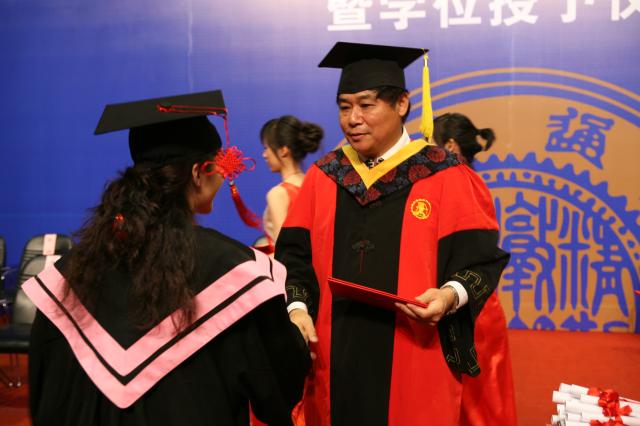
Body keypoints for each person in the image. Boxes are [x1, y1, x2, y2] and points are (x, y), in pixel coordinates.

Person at [23, 90, 311, 426]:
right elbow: (278, 387)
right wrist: (296, 325)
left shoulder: (73, 273)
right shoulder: (234, 270)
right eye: (219, 165)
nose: (223, 176)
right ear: (197, 173)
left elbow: (45, 394)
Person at [274, 42, 514, 425]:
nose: (353, 119)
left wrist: (450, 295)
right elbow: (294, 256)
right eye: (344, 107)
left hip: (416, 352)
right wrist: (298, 308)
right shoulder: (325, 177)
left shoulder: (445, 174)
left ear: (401, 104)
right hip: (335, 355)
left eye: (366, 105)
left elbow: (481, 261)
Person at [434, 112, 517, 424]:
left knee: (480, 404)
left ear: (449, 145)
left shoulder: (459, 182)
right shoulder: (467, 180)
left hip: (471, 307)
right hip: (472, 302)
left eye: (431, 143)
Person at [260, 115, 323, 248]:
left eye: (266, 148)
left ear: (283, 150)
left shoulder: (278, 194)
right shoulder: (316, 186)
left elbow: (283, 252)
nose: (264, 155)